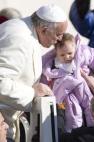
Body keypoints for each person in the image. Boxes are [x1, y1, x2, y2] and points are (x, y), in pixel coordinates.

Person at [0, 4, 68, 142]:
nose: (60, 39)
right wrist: (32, 93)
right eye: (58, 34)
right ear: (44, 30)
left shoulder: (24, 29)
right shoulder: (19, 38)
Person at [41, 33, 94, 132]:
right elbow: (45, 76)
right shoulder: (53, 65)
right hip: (68, 94)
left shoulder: (82, 53)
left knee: (91, 106)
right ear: (56, 52)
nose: (67, 57)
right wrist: (44, 90)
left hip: (84, 87)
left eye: (70, 53)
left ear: (75, 47)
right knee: (73, 112)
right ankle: (75, 132)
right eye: (62, 55)